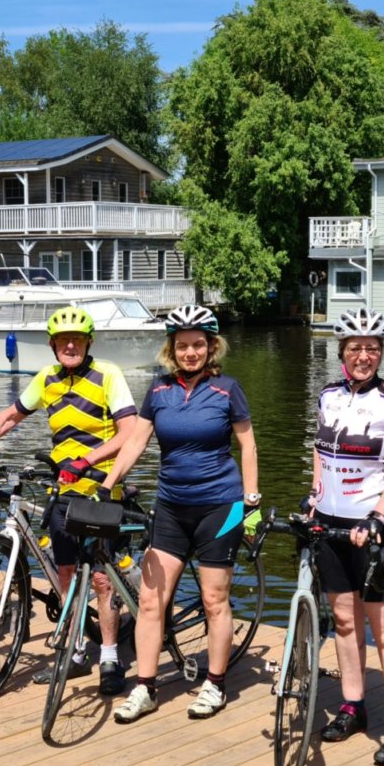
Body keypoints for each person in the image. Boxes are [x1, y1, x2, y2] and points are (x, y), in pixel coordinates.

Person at [0, 306, 140, 695]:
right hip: (62, 490)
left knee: (101, 579)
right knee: (65, 573)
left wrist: (86, 461)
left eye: (77, 340)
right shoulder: (47, 378)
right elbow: (9, 417)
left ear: (89, 343)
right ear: (52, 345)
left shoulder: (108, 374)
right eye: (63, 341)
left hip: (101, 488)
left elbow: (129, 431)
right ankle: (75, 652)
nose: (70, 346)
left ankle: (109, 656)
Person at [99, 304, 260, 723]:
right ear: (172, 349)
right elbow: (136, 442)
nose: (191, 353)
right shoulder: (158, 391)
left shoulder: (228, 389)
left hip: (222, 506)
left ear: (211, 347)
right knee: (150, 600)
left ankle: (215, 684)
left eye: (198, 345)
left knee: (214, 599)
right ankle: (145, 688)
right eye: (183, 346)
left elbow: (248, 445)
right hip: (171, 506)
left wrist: (252, 501)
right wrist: (107, 483)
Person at [311, 308, 384, 766]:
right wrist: (313, 497)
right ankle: (353, 706)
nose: (363, 355)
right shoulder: (328, 395)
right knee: (344, 620)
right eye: (355, 347)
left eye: (372, 348)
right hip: (331, 523)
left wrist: (377, 516)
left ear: (381, 353)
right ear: (342, 353)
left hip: (375, 526)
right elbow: (320, 451)